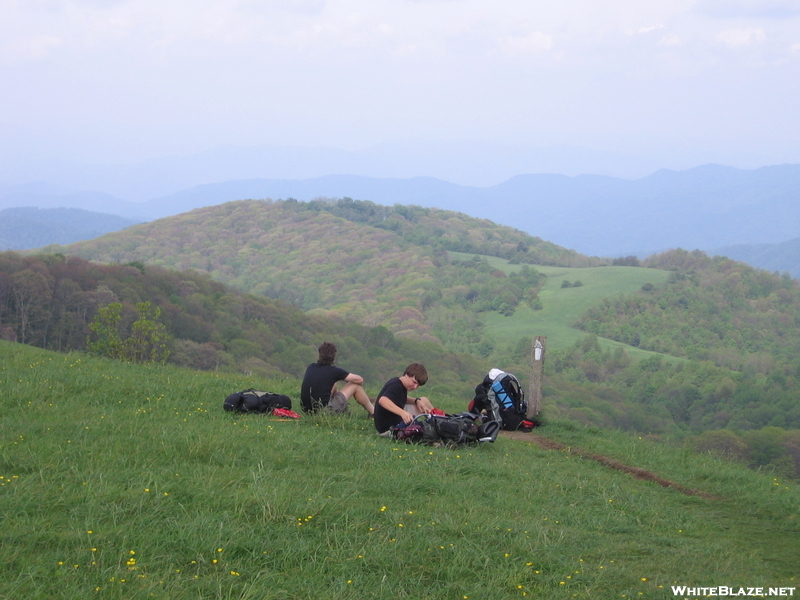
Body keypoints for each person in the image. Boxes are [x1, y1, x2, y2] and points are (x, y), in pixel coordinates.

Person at [300, 342, 374, 415]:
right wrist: (346, 380)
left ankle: (342, 408)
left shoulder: (310, 367)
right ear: (333, 357)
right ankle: (373, 412)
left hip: (306, 410)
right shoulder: (334, 371)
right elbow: (360, 379)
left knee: (334, 383)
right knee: (355, 385)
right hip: (324, 411)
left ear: (319, 355)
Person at [373, 362, 436, 434]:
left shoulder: (399, 382)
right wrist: (403, 413)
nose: (415, 387)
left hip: (393, 420)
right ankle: (438, 424)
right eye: (414, 382)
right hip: (390, 427)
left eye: (418, 385)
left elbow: (400, 397)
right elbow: (383, 400)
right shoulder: (396, 385)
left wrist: (416, 401)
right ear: (406, 375)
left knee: (423, 400)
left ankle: (437, 421)